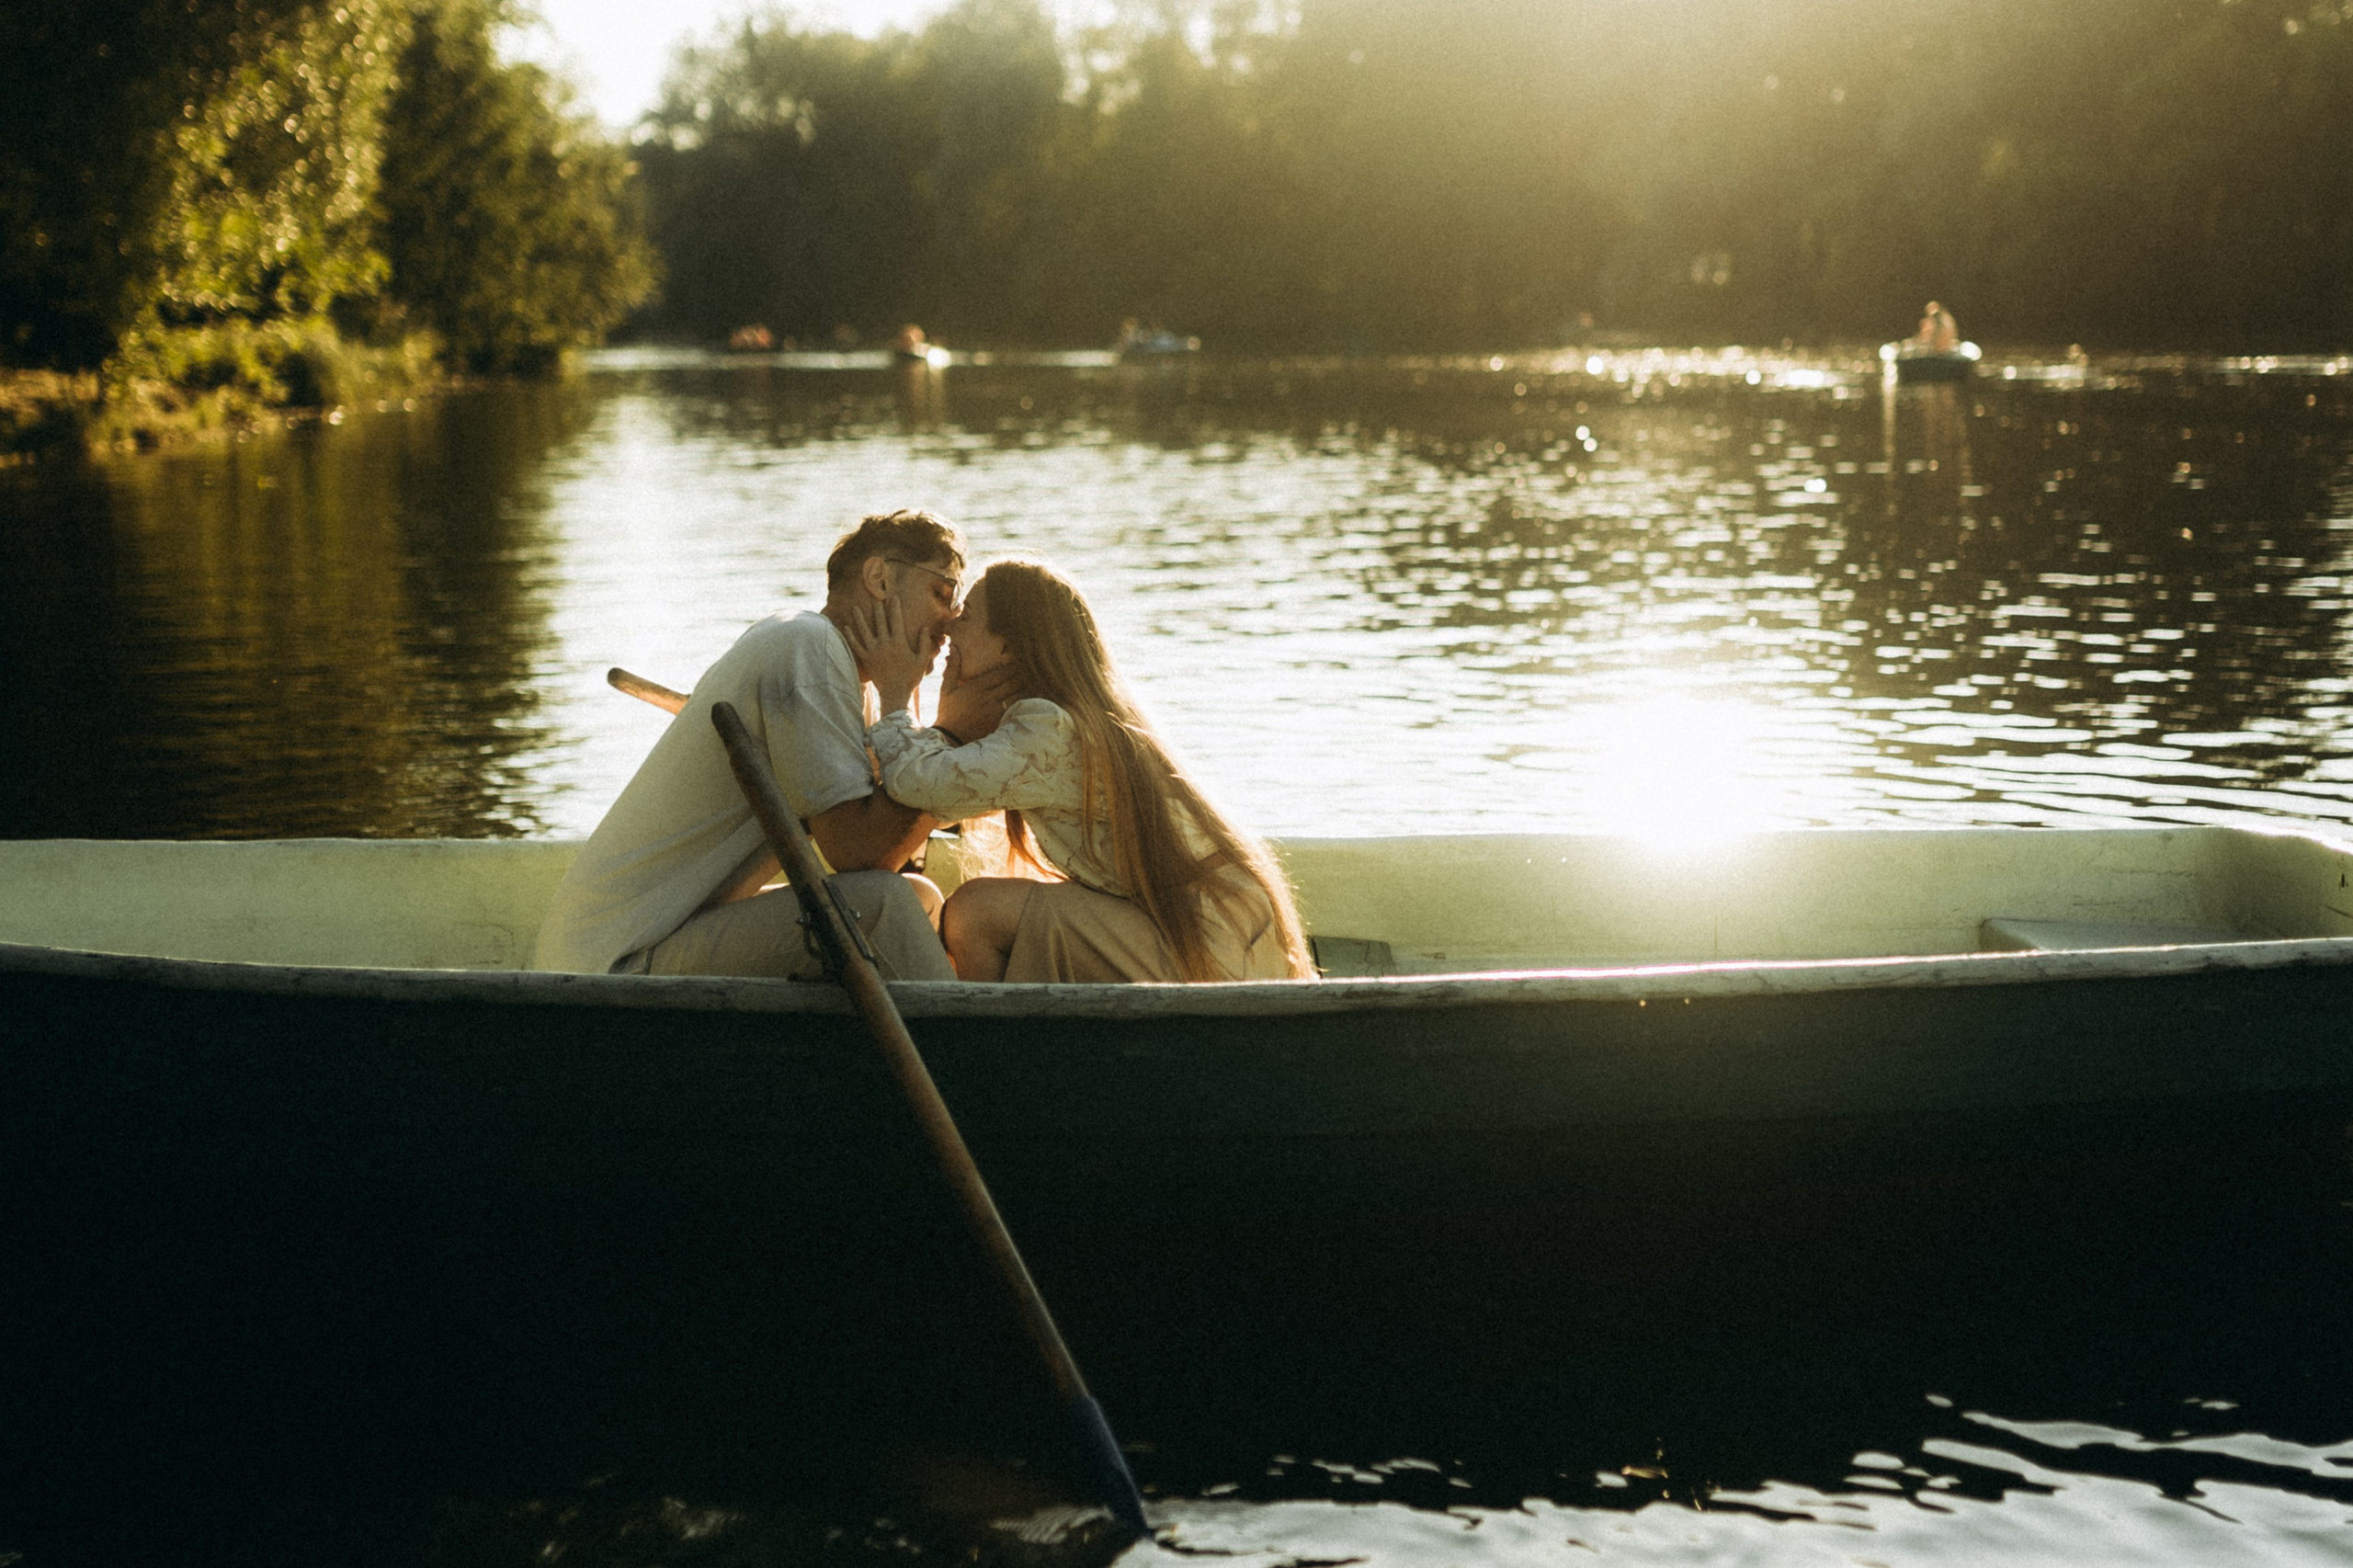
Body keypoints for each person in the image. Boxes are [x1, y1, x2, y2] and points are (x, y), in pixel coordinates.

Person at [532, 509, 1015, 980]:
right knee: (886, 907)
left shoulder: (836, 673)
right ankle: (964, 1054)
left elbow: (887, 847)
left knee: (917, 897)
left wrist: (904, 709)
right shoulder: (809, 648)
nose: (951, 621)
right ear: (880, 578)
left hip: (650, 942)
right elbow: (859, 851)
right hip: (619, 962)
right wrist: (952, 735)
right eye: (943, 591)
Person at [843, 558, 1313, 984]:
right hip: (1218, 925)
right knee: (993, 902)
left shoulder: (1047, 725)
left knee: (976, 911)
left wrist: (896, 693)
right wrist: (951, 726)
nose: (948, 631)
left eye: (965, 616)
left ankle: (979, 1053)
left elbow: (926, 788)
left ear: (1008, 646)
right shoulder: (1071, 713)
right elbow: (947, 801)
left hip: (1210, 939)